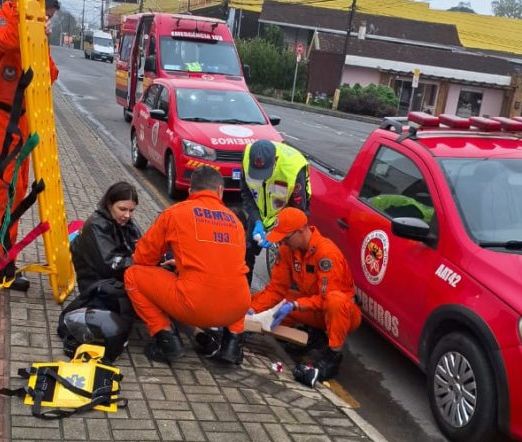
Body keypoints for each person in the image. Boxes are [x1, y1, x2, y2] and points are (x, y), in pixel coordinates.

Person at [0, 0, 61, 291]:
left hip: (18, 117)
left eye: (49, 18)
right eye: (44, 15)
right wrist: (32, 25)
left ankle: (3, 258)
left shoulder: (31, 32)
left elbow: (49, 74)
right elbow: (10, 41)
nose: (46, 21)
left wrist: (42, 38)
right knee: (1, 187)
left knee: (17, 189)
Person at [125, 166, 251, 364]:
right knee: (233, 282)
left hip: (195, 307)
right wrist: (183, 263)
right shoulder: (235, 221)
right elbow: (224, 263)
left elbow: (143, 258)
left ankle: (167, 340)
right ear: (220, 191)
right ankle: (232, 347)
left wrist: (173, 268)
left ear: (191, 190)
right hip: (237, 308)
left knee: (133, 275)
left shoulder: (175, 213)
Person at [249, 207, 361, 387]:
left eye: (286, 238)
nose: (283, 243)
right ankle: (311, 337)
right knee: (265, 300)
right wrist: (251, 310)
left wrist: (296, 305)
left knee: (335, 301)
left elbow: (326, 299)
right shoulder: (287, 250)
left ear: (301, 230)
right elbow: (276, 289)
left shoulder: (327, 254)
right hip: (311, 306)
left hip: (341, 313)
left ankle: (333, 356)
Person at [57, 182, 142, 362]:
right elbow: (110, 265)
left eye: (131, 210)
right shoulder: (96, 225)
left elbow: (142, 246)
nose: (127, 215)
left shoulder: (126, 223)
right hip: (99, 285)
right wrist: (143, 262)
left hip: (118, 277)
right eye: (122, 209)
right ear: (109, 204)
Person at [239, 139, 310, 283]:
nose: (261, 178)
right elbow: (247, 194)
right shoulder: (247, 158)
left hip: (287, 214)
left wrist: (277, 231)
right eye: (256, 173)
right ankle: (245, 291)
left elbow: (297, 211)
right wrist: (256, 220)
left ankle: (290, 290)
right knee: (246, 253)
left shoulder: (293, 169)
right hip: (260, 214)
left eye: (264, 173)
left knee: (290, 259)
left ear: (275, 161)